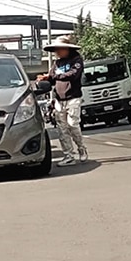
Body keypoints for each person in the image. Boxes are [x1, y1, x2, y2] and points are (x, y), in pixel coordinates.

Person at [37, 35, 86, 167]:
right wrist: (46, 78)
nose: (57, 52)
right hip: (59, 100)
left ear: (67, 48)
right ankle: (68, 155)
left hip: (73, 98)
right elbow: (52, 78)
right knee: (62, 129)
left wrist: (55, 75)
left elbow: (73, 75)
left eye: (59, 49)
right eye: (56, 49)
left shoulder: (77, 60)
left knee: (73, 125)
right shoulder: (57, 63)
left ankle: (81, 147)